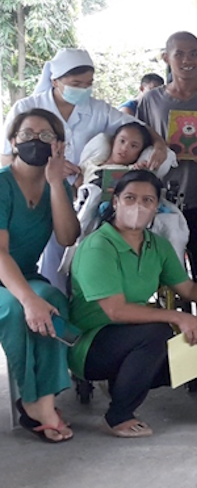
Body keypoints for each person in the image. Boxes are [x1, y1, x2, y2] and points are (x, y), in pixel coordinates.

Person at [68, 170, 197, 437]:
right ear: (115, 202)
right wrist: (176, 317)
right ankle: (118, 416)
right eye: (130, 198)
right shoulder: (98, 246)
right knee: (157, 333)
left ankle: (124, 382)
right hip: (90, 345)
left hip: (131, 338)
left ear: (155, 208)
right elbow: (115, 310)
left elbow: (190, 289)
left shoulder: (157, 246)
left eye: (147, 200)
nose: (138, 206)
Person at [2, 48, 168, 289]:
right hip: (39, 192)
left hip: (83, 194)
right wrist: (44, 176)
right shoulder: (27, 108)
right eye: (76, 84)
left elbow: (136, 127)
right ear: (55, 81)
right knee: (48, 261)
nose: (83, 89)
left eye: (88, 84)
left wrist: (159, 144)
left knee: (79, 253)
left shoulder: (98, 109)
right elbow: (7, 156)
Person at [0, 109, 79, 443]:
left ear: (58, 145)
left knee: (52, 300)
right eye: (27, 134)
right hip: (5, 273)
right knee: (17, 308)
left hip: (25, 274)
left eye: (45, 135)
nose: (35, 140)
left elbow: (67, 237)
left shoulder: (56, 187)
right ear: (13, 141)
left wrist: (56, 183)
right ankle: (34, 402)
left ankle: (42, 401)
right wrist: (28, 299)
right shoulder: (2, 183)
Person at [137, 32, 197, 282]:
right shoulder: (151, 100)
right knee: (165, 274)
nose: (187, 60)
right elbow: (138, 142)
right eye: (180, 54)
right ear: (166, 58)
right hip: (163, 198)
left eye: (194, 54)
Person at [77, 121, 154, 189]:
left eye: (133, 146)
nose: (124, 148)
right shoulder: (90, 163)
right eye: (122, 141)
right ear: (113, 140)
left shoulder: (130, 172)